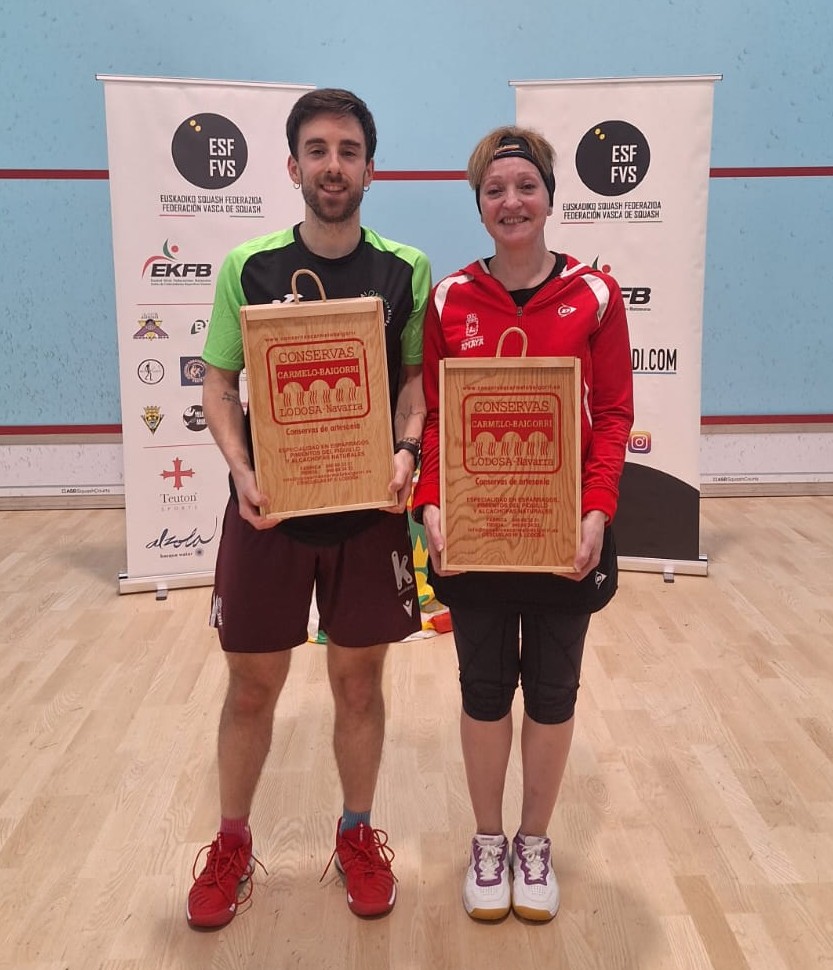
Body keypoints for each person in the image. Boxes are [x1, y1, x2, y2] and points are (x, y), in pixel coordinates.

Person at [187, 88, 430, 929]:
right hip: (270, 512)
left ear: (370, 166)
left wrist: (407, 452)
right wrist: (239, 466)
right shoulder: (243, 266)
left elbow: (411, 384)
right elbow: (219, 385)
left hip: (365, 515)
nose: (334, 165)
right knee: (252, 688)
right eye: (318, 150)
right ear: (293, 165)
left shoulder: (406, 269)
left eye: (349, 150)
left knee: (358, 683)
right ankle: (230, 843)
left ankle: (356, 836)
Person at [412, 126, 633, 922]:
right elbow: (433, 416)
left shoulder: (596, 296)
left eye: (524, 186)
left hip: (563, 533)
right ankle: (486, 838)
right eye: (494, 190)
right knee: (480, 688)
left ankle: (532, 842)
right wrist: (430, 499)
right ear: (478, 207)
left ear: (548, 197)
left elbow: (610, 417)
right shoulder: (449, 299)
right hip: (473, 532)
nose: (511, 201)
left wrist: (596, 508)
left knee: (550, 689)